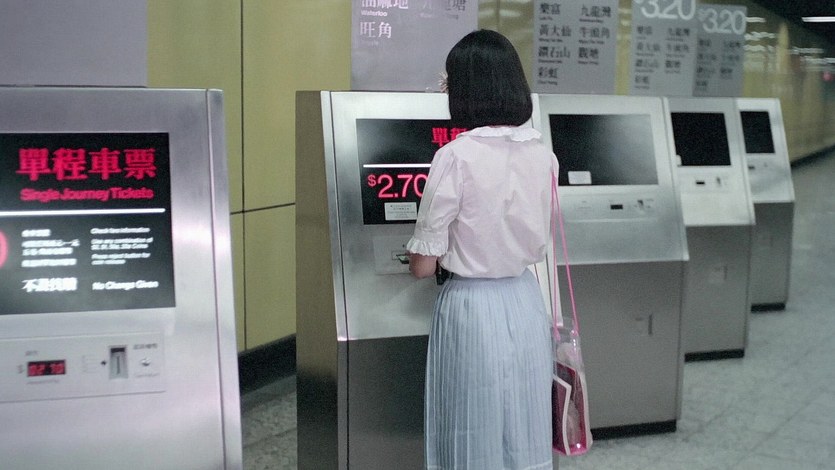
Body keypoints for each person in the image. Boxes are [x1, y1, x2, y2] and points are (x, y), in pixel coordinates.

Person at [406, 29, 558, 470]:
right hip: (525, 301)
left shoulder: (455, 156)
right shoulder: (543, 154)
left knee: (471, 426)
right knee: (522, 424)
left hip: (471, 308)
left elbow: (422, 266)